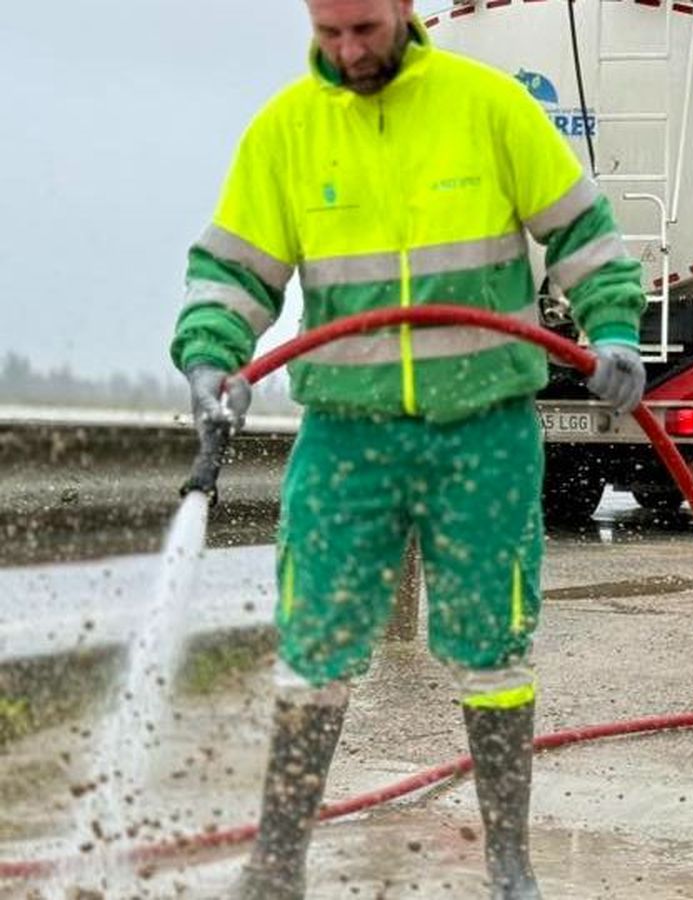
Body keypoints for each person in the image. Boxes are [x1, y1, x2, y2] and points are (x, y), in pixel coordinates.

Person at [171, 1, 646, 896]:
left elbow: (584, 235)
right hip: (348, 435)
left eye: (364, 29)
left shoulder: (490, 106)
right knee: (315, 635)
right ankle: (277, 864)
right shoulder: (286, 132)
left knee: (494, 642)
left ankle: (508, 859)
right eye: (329, 33)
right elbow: (235, 272)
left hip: (486, 429)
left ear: (401, 8)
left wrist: (613, 328)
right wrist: (209, 355)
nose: (348, 51)